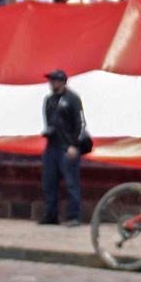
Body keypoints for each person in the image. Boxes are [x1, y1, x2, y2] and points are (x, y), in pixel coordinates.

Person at [39, 69, 88, 225]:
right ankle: (51, 215)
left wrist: (74, 145)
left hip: (67, 147)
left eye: (55, 81)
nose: (52, 84)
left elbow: (80, 123)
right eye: (51, 81)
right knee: (49, 182)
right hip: (52, 146)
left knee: (71, 182)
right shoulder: (49, 100)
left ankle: (74, 215)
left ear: (62, 82)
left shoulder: (72, 99)